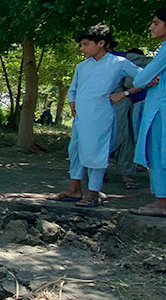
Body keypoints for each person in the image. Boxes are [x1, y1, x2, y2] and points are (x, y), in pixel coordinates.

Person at [50, 24, 142, 207]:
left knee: (96, 152)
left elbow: (146, 78)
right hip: (81, 116)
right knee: (75, 150)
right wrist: (72, 104)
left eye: (85, 44)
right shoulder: (82, 66)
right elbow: (73, 89)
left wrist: (124, 94)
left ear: (101, 43)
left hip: (100, 114)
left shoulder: (118, 63)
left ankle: (93, 192)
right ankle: (74, 188)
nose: (82, 49)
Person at [130, 7, 166, 217]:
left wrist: (147, 80)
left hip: (160, 109)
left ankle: (162, 202)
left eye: (156, 23)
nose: (151, 27)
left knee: (159, 152)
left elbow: (140, 80)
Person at [107, 47, 151, 189]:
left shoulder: (123, 58)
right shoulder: (88, 64)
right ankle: (96, 172)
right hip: (99, 104)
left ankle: (127, 176)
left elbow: (147, 69)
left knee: (124, 138)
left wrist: (126, 93)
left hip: (120, 101)